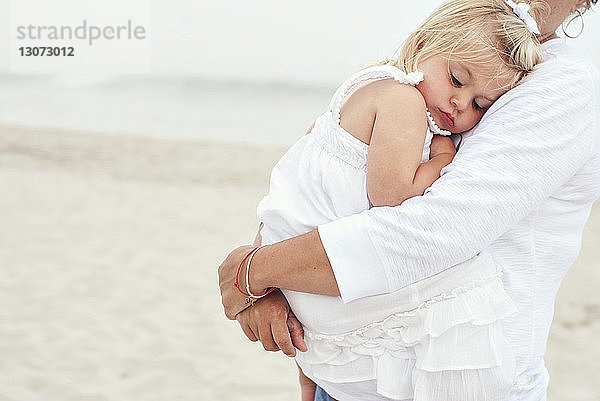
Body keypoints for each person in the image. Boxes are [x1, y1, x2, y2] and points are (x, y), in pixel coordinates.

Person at [219, 0, 600, 400]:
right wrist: (271, 275)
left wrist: (257, 271)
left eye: (479, 105)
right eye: (457, 80)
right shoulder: (450, 58)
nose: (461, 104)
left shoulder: (562, 84)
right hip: (354, 375)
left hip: (455, 381)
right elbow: (318, 176)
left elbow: (431, 232)